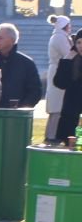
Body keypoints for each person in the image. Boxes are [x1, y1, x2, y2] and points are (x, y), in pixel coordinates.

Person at [0, 23, 42, 109]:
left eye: (0, 38)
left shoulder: (26, 63)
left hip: (16, 116)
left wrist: (21, 109)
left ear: (12, 40)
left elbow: (35, 90)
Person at [52, 29, 82, 145]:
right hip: (71, 113)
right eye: (78, 42)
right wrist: (66, 61)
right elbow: (59, 83)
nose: (80, 46)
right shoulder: (71, 61)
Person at [45, 15, 72, 143]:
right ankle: (52, 135)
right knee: (56, 106)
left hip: (58, 69)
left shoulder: (59, 36)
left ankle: (52, 134)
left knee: (57, 105)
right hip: (58, 71)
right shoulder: (59, 37)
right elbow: (68, 54)